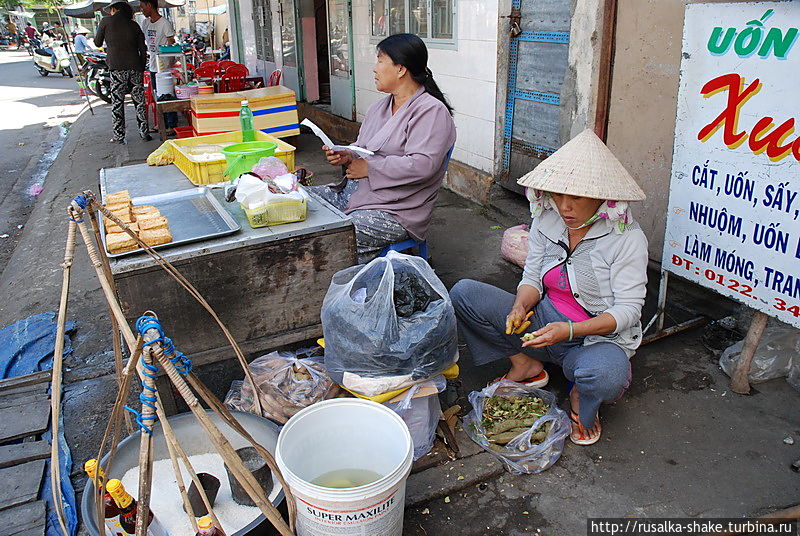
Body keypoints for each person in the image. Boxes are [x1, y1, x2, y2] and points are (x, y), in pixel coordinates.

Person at [450, 129, 649, 446]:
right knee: (464, 294)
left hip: (594, 339)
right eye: (558, 195)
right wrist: (520, 306)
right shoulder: (548, 218)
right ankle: (526, 364)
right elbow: (532, 276)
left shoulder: (626, 238)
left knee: (609, 375)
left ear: (600, 197)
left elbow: (628, 311)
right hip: (542, 325)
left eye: (576, 198)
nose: (564, 207)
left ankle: (581, 395)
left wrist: (569, 331)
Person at [310, 33, 456, 264]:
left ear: (400, 69)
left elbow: (423, 165)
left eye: (380, 61)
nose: (374, 69)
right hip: (358, 195)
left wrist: (370, 169)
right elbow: (363, 147)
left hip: (397, 210)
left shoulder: (431, 111)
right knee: (301, 201)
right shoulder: (380, 106)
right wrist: (347, 154)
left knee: (333, 236)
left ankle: (352, 288)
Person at [94, 0, 151, 143]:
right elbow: (143, 50)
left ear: (114, 9)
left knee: (117, 102)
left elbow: (97, 43)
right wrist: (141, 67)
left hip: (117, 67)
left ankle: (119, 136)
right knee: (139, 101)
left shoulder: (106, 22)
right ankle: (144, 133)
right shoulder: (134, 25)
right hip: (135, 67)